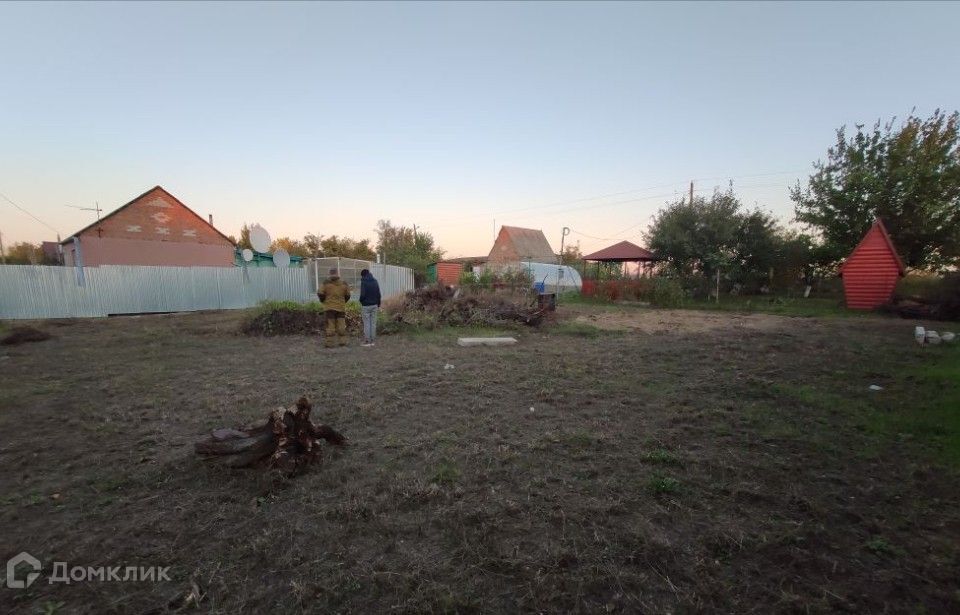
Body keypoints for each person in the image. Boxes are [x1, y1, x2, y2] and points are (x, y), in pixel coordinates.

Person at [318, 267, 350, 348]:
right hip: (341, 308)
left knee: (330, 326)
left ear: (330, 273)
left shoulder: (325, 283)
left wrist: (323, 301)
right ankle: (342, 342)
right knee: (341, 325)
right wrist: (343, 302)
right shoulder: (344, 283)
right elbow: (348, 295)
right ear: (337, 273)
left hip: (329, 308)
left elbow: (320, 293)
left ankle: (329, 343)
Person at [359, 268, 381, 347]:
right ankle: (372, 341)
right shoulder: (375, 281)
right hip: (374, 305)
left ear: (363, 275)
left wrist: (361, 301)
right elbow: (378, 294)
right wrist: (378, 304)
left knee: (367, 323)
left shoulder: (363, 282)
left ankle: (367, 341)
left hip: (366, 306)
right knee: (373, 323)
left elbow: (362, 294)